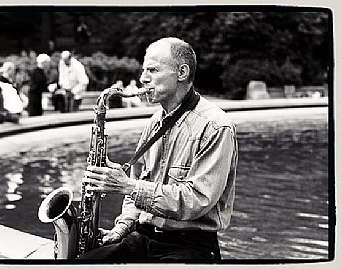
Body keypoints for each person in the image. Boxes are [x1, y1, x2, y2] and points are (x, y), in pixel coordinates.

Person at [80, 37, 238, 262]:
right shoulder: (154, 122)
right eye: (144, 70)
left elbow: (196, 201)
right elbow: (135, 188)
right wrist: (122, 228)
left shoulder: (215, 126)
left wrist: (128, 186)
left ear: (182, 73)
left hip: (190, 245)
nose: (143, 78)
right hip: (144, 236)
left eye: (153, 70)